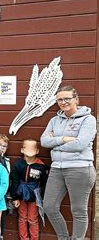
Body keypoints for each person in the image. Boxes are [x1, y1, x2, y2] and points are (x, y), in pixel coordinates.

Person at [40, 86, 96, 240]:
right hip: (57, 169)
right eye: (60, 99)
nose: (63, 102)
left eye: (67, 98)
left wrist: (55, 146)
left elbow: (81, 144)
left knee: (78, 210)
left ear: (76, 99)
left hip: (80, 169)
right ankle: (63, 237)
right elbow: (44, 141)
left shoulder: (88, 119)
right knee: (49, 207)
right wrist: (63, 139)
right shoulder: (54, 120)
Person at [11, 139, 49, 240]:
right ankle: (24, 238)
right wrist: (15, 197)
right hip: (21, 195)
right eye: (27, 147)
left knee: (32, 219)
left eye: (33, 148)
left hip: (34, 196)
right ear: (22, 150)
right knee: (22, 218)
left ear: (37, 151)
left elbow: (44, 183)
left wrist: (43, 197)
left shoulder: (41, 166)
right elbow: (14, 181)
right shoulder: (18, 165)